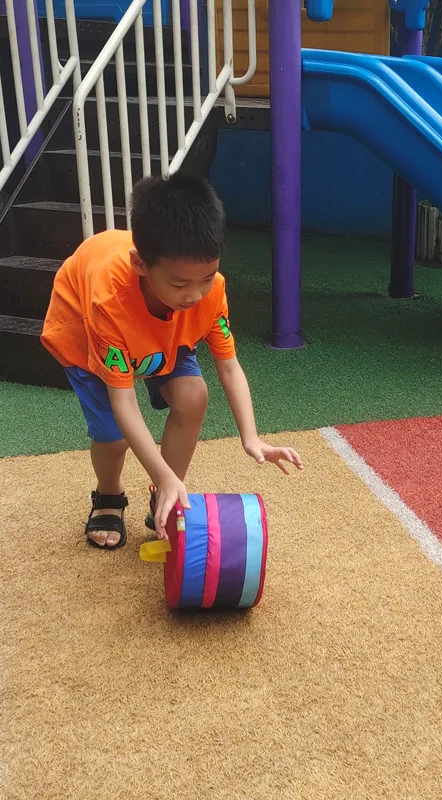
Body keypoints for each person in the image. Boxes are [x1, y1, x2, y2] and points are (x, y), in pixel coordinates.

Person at [41, 173, 302, 550]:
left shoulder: (208, 295)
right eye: (180, 284)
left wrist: (251, 437)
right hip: (87, 334)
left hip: (164, 332)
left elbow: (229, 367)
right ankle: (109, 495)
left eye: (207, 278)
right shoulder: (108, 302)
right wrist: (157, 469)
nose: (195, 294)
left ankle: (165, 492)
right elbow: (124, 400)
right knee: (114, 437)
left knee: (193, 395)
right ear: (141, 264)